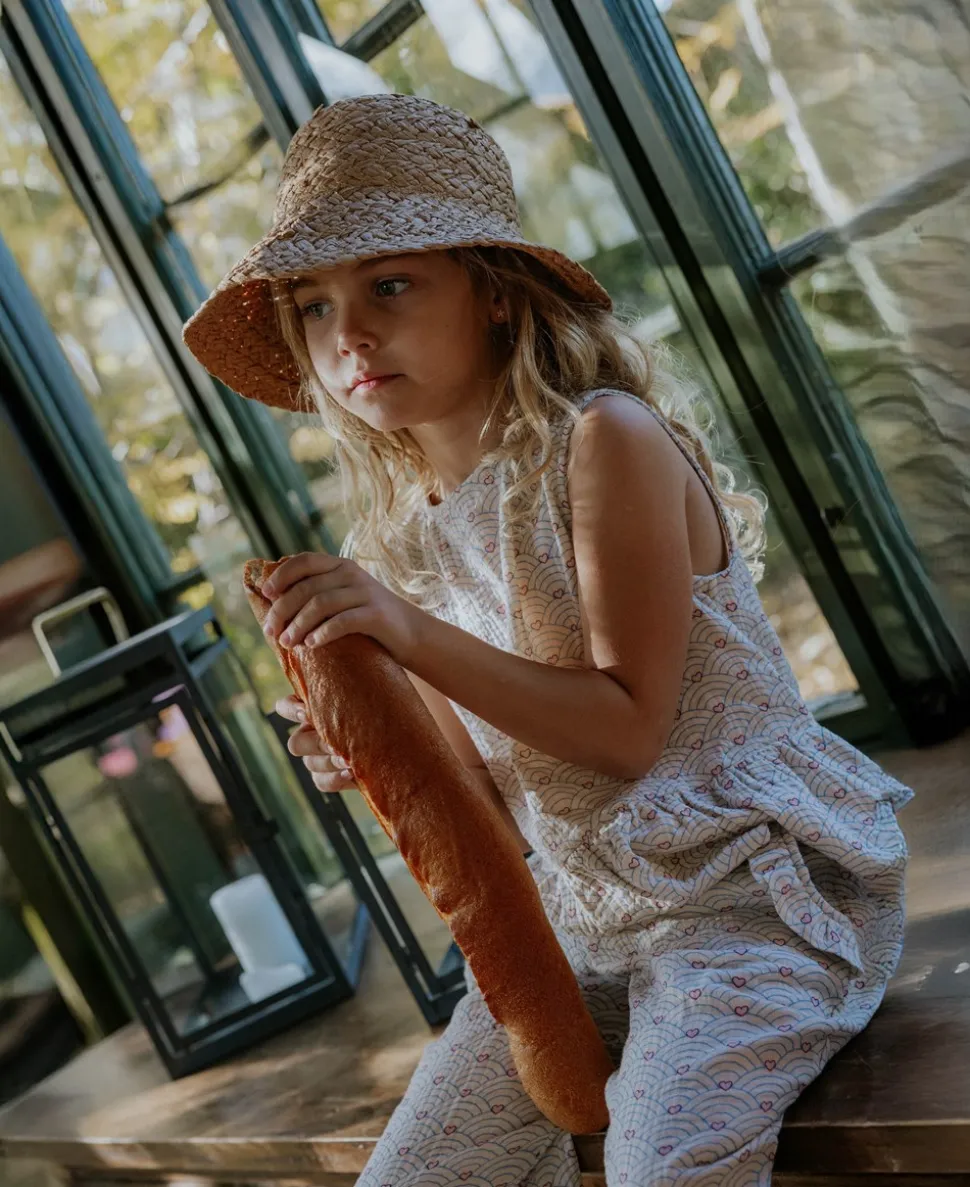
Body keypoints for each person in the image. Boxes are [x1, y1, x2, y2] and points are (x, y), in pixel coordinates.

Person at [182, 93, 912, 1187]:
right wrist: (377, 757)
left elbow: (626, 731)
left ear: (493, 289)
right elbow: (490, 806)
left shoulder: (604, 441)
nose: (350, 333)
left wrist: (406, 632)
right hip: (584, 927)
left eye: (389, 284)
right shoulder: (392, 542)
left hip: (748, 904)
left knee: (659, 1166)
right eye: (314, 304)